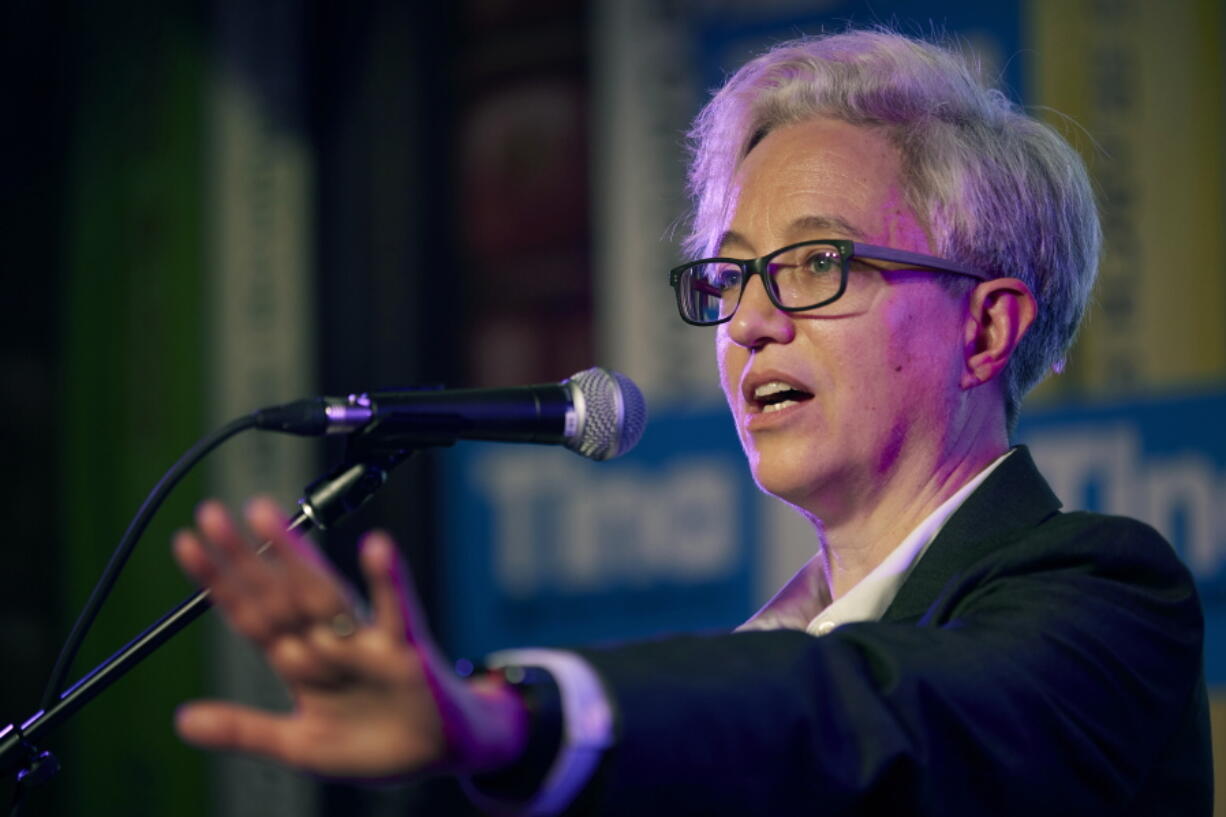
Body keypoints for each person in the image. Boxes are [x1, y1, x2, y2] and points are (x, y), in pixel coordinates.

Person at [171, 28, 1212, 815]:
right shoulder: (766, 648)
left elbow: (874, 719)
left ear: (983, 330)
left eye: (816, 263)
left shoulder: (1104, 601)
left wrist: (520, 716)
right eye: (731, 273)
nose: (750, 321)